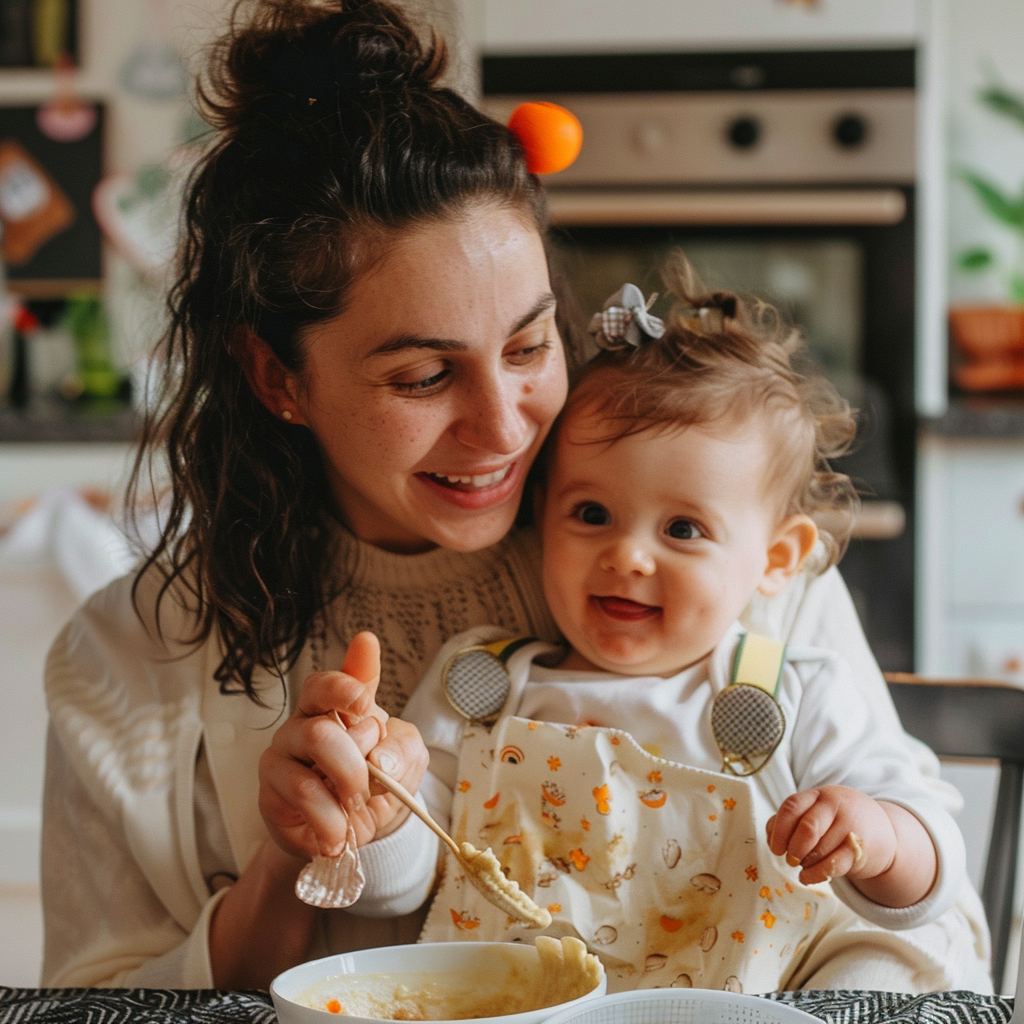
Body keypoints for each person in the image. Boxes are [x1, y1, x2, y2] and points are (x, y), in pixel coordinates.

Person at [37, 0, 982, 994]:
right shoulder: (128, 661)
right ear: (278, 378)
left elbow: (928, 938)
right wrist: (289, 857)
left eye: (530, 346)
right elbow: (104, 1004)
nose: (506, 428)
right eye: (422, 377)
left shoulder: (722, 561)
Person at [359, 263, 991, 994]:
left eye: (683, 528)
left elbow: (928, 865)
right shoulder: (482, 684)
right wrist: (373, 817)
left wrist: (878, 838)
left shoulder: (792, 692)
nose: (626, 555)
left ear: (776, 559)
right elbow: (397, 890)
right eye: (591, 514)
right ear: (541, 519)